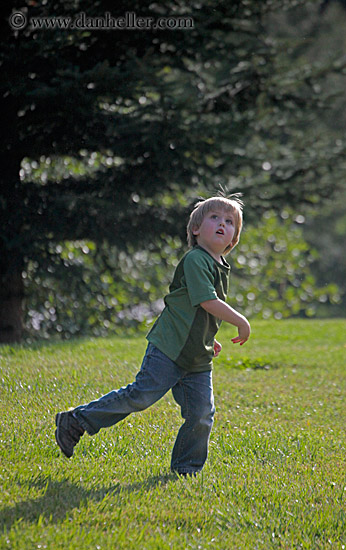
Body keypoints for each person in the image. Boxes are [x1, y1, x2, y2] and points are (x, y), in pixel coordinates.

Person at [55, 192, 251, 476]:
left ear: (234, 238)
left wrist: (207, 336)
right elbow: (207, 301)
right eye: (214, 217)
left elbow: (197, 309)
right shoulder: (197, 259)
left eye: (230, 221)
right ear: (195, 230)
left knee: (201, 414)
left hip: (195, 356)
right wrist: (240, 321)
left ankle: (186, 470)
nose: (223, 223)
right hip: (169, 348)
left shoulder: (219, 266)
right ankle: (76, 420)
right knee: (141, 396)